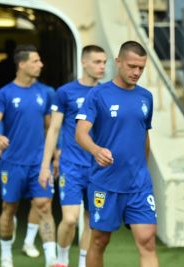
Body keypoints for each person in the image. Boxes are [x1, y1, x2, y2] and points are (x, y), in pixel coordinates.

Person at [75, 41, 158, 267]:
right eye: (132, 66)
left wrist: (142, 170)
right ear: (118, 62)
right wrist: (96, 150)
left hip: (139, 185)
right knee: (100, 241)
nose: (136, 72)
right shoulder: (97, 94)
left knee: (148, 241)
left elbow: (144, 135)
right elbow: (80, 133)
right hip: (105, 183)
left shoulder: (146, 97)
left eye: (141, 68)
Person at [39, 45, 107, 267]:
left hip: (97, 168)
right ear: (84, 62)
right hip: (71, 166)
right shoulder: (65, 92)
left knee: (91, 221)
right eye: (97, 62)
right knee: (69, 219)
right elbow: (54, 130)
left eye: (104, 62)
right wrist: (45, 166)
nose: (102, 67)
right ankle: (61, 258)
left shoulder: (107, 92)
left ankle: (82, 263)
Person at [0, 45, 57, 267]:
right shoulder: (4, 93)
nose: (41, 64)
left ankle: (52, 260)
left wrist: (52, 157)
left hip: (38, 164)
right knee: (9, 208)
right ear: (21, 64)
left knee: (44, 205)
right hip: (11, 163)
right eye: (35, 60)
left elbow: (50, 129)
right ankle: (6, 254)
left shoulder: (45, 92)